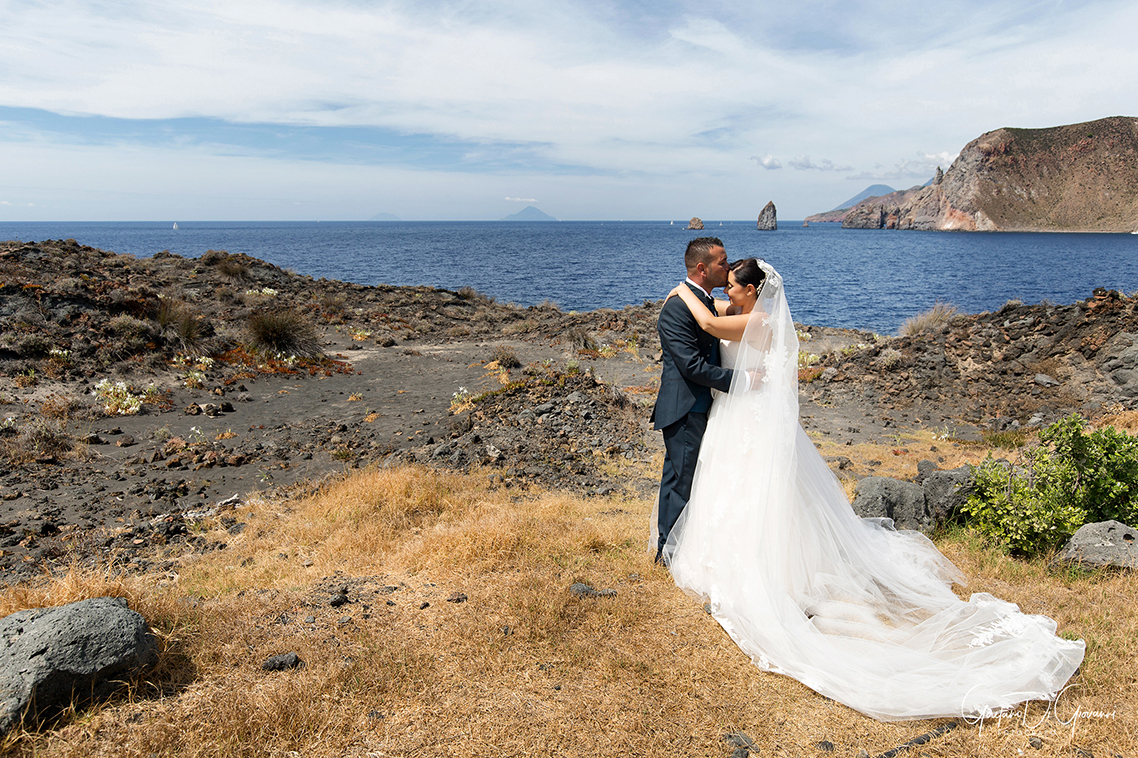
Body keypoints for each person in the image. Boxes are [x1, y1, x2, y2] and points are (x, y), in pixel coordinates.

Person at [661, 258, 1085, 722]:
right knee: (748, 487)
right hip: (741, 414)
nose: (727, 287)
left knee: (755, 489)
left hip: (748, 417)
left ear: (752, 292)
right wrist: (696, 293)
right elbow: (717, 308)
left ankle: (757, 562)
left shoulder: (758, 319)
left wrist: (680, 292)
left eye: (734, 285)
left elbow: (707, 319)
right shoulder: (749, 309)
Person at [650, 237, 734, 565]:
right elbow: (691, 366)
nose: (727, 268)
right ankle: (669, 555)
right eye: (722, 263)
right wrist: (741, 381)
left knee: (680, 478)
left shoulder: (703, 301)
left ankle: (670, 550)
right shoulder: (677, 308)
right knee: (682, 482)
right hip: (685, 407)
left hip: (699, 406)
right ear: (702, 268)